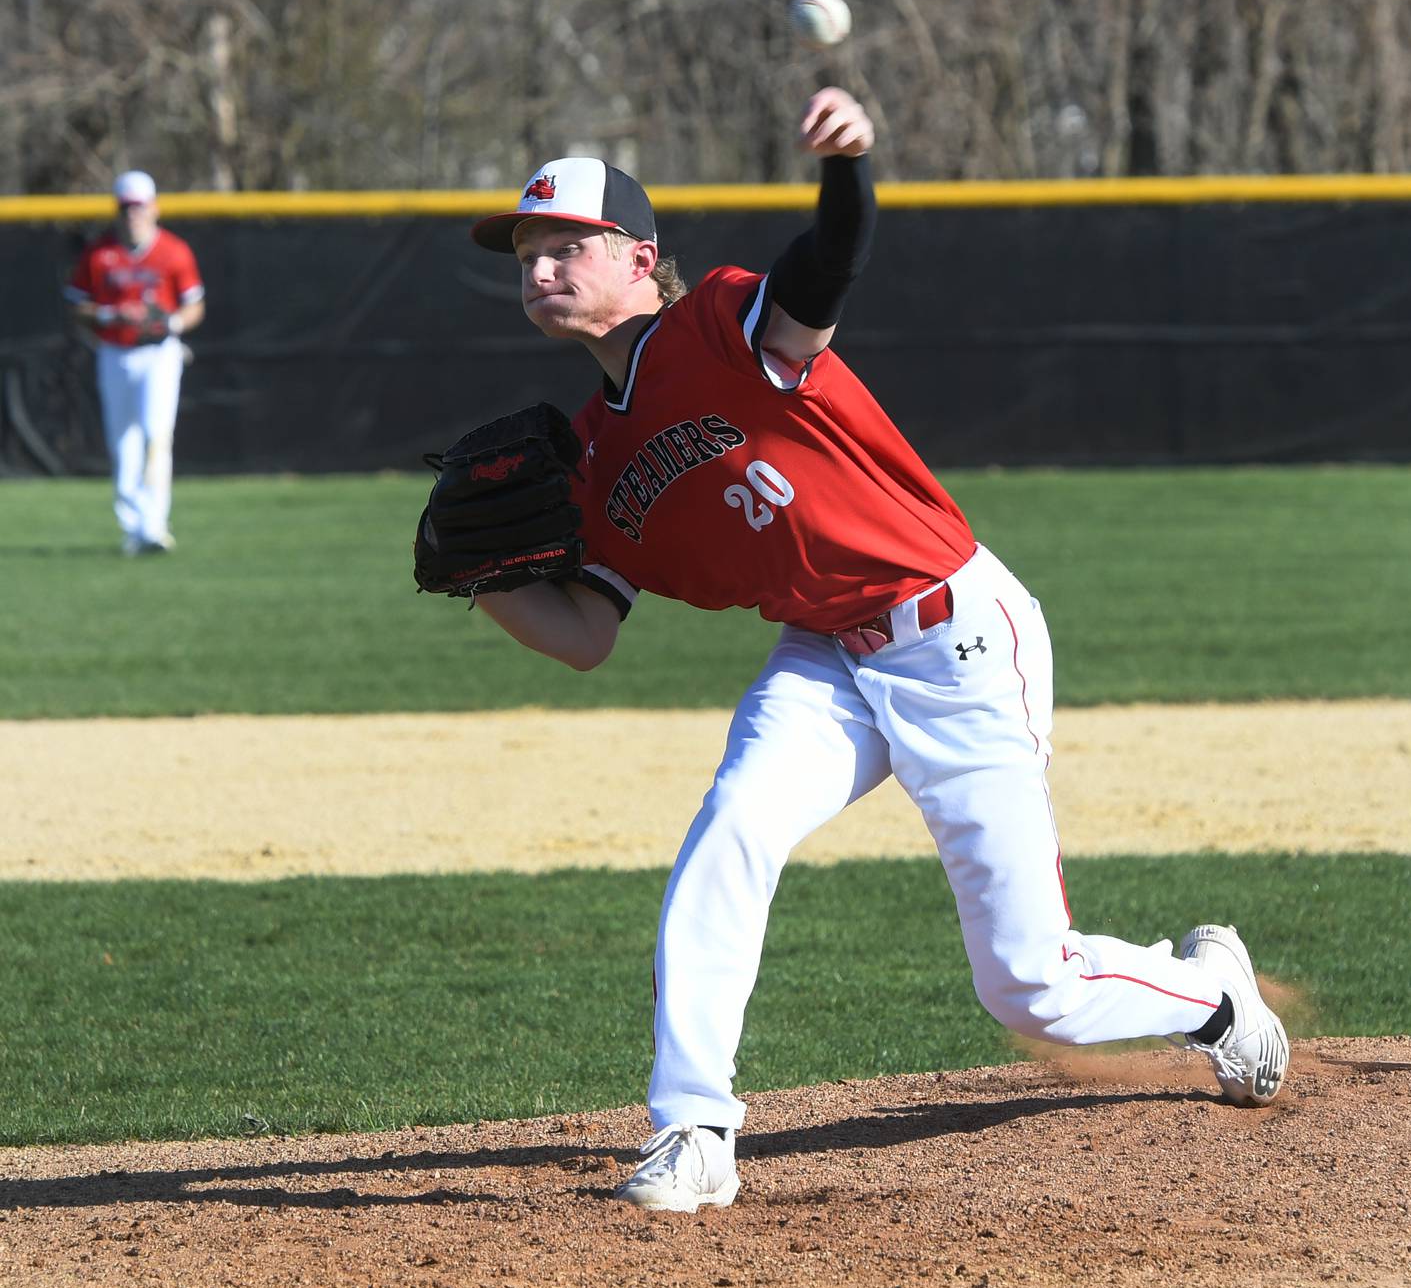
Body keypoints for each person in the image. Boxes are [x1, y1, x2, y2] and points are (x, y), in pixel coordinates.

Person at [465, 87, 1290, 1213]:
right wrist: (487, 582)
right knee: (732, 832)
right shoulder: (596, 460)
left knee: (1029, 992)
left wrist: (849, 166)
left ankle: (1212, 998)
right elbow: (585, 634)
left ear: (639, 255)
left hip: (952, 633)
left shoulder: (717, 323)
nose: (540, 267)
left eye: (568, 244)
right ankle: (694, 1129)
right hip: (825, 657)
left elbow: (826, 268)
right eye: (526, 252)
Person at [65, 170, 205, 555]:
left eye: (140, 206)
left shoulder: (173, 251)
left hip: (159, 353)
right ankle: (132, 525)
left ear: (154, 207)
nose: (133, 214)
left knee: (156, 434)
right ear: (118, 209)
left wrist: (168, 322)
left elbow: (195, 306)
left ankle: (154, 527)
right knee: (122, 441)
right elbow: (77, 306)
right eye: (126, 207)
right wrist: (112, 314)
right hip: (115, 352)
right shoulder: (99, 253)